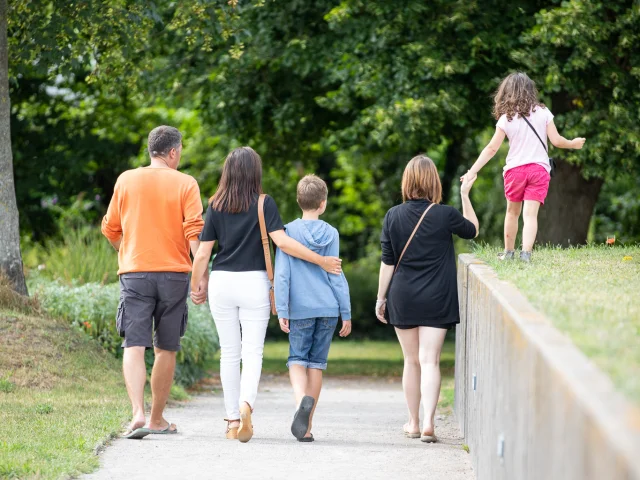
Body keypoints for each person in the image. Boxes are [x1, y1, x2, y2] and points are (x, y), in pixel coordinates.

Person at [190, 147, 342, 443]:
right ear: (255, 172)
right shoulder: (264, 203)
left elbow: (203, 253)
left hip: (222, 282)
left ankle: (233, 420)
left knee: (229, 353)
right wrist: (321, 260)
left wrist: (197, 284)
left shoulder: (215, 205)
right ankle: (247, 404)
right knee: (252, 352)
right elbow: (283, 243)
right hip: (255, 284)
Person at [101, 126, 208, 439]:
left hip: (134, 274)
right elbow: (193, 235)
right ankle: (157, 419)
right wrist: (201, 278)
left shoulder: (126, 180)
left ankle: (137, 412)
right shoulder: (186, 183)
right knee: (166, 348)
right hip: (174, 275)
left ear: (152, 150)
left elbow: (110, 229)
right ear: (173, 152)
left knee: (133, 344)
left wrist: (128, 252)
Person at [375, 155, 479, 443]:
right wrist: (464, 195)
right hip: (437, 297)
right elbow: (473, 230)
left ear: (407, 182)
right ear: (433, 181)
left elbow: (388, 263)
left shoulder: (392, 216)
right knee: (430, 361)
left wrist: (380, 299)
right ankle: (431, 423)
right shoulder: (444, 215)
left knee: (411, 361)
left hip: (403, 296)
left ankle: (413, 422)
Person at [461, 72, 586, 262]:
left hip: (515, 172)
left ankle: (509, 253)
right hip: (538, 170)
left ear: (508, 92)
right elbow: (557, 141)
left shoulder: (506, 118)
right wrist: (573, 143)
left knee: (512, 212)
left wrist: (472, 171)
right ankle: (526, 255)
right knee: (530, 215)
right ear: (531, 90)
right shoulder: (544, 113)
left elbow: (492, 148)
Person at [274, 175, 352, 443]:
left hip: (300, 309)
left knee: (297, 359)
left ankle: (300, 404)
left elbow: (282, 275)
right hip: (328, 309)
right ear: (323, 203)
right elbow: (336, 274)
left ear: (299, 201)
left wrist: (281, 308)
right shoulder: (331, 233)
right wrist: (346, 312)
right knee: (316, 364)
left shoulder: (287, 233)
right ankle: (306, 428)